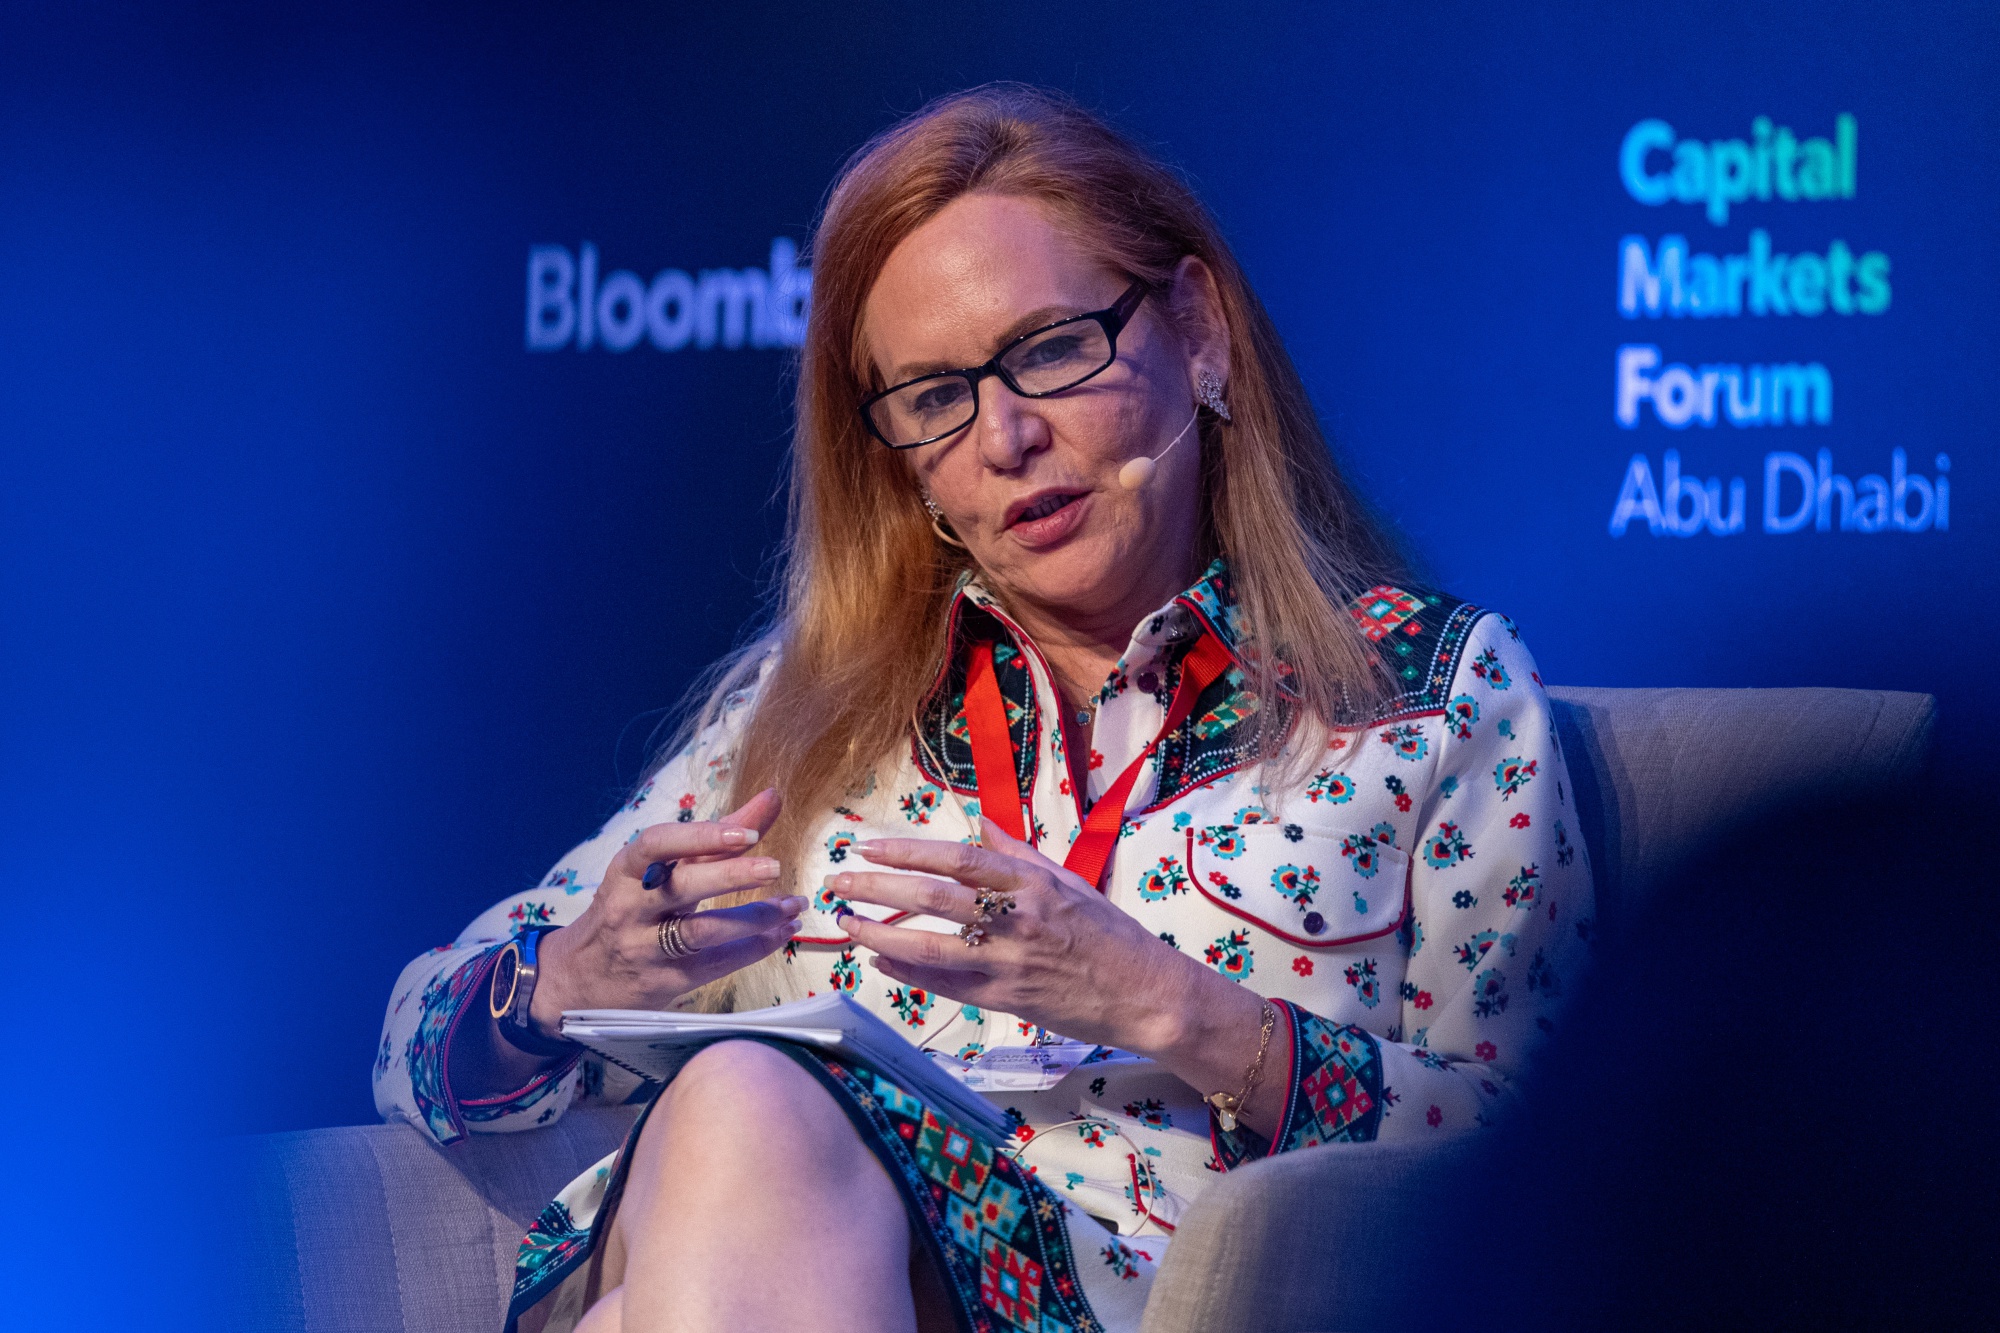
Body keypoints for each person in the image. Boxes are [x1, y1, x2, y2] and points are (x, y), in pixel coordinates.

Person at [374, 84, 1594, 1333]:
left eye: (1052, 350)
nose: (1003, 438)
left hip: (1174, 1298)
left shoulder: (1422, 697)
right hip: (800, 1268)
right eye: (932, 398)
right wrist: (564, 977)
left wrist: (1169, 1005)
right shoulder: (812, 716)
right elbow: (414, 1037)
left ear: (1197, 331)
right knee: (744, 1105)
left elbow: (1558, 1164)